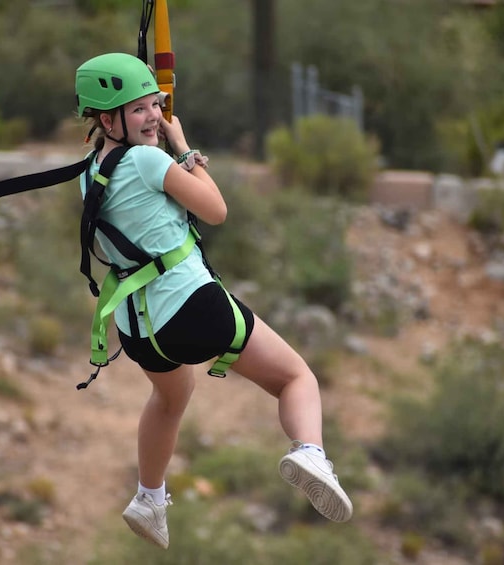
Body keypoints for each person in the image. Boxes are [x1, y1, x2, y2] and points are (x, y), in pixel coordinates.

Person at [75, 52, 353, 549]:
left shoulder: (89, 172)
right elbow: (216, 210)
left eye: (154, 105)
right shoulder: (147, 158)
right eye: (138, 110)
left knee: (171, 397)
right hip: (190, 305)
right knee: (297, 377)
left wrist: (162, 143)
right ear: (105, 118)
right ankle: (310, 451)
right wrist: (182, 147)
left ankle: (149, 497)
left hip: (138, 328)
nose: (154, 117)